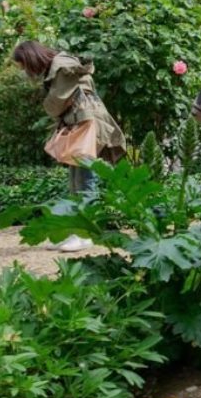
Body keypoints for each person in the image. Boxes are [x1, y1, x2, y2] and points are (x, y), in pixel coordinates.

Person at [12, 40, 126, 252]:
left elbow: (56, 102)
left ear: (32, 58)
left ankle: (87, 234)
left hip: (86, 125)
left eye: (24, 65)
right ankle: (78, 233)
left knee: (85, 181)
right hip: (80, 124)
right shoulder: (58, 66)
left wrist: (48, 104)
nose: (25, 70)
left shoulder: (61, 66)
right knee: (76, 183)